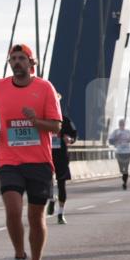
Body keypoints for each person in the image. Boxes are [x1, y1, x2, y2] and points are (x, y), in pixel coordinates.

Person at [0, 44, 62, 260]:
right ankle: (20, 257)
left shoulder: (45, 88)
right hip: (10, 160)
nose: (17, 62)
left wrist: (35, 121)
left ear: (31, 63)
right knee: (13, 210)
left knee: (36, 217)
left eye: (21, 58)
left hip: (39, 162)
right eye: (13, 59)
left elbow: (56, 126)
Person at [46, 95, 77, 225]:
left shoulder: (65, 120)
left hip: (61, 157)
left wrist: (70, 139)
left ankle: (60, 214)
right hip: (46, 155)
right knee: (46, 182)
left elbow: (74, 135)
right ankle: (51, 198)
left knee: (61, 184)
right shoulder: (43, 119)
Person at [108, 119, 130, 190]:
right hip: (119, 152)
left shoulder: (128, 131)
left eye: (123, 124)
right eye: (121, 124)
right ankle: (123, 176)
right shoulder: (116, 131)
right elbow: (110, 141)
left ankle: (125, 183)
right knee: (121, 169)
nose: (122, 125)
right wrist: (116, 139)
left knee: (126, 169)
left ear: (124, 124)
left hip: (127, 152)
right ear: (119, 124)